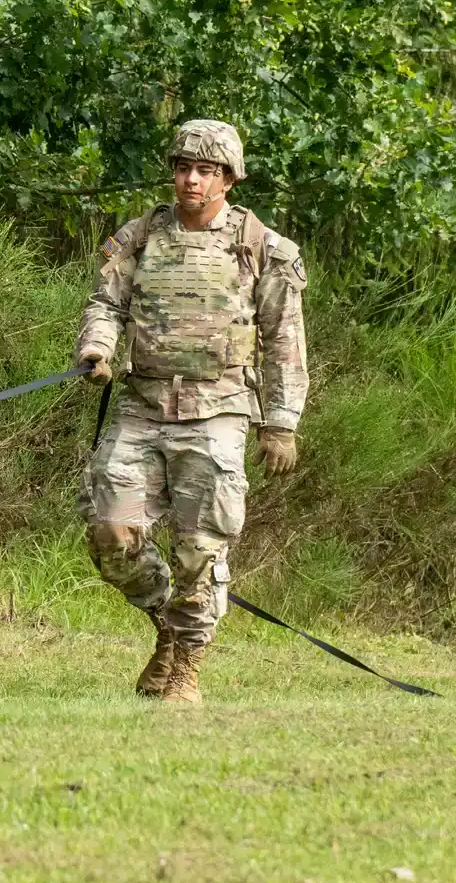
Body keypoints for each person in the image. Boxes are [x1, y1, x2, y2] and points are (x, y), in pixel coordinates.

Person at [76, 119, 309, 704]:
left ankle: (186, 666)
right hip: (142, 403)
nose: (191, 179)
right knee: (110, 531)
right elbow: (106, 303)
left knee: (201, 545)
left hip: (218, 409)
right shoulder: (139, 237)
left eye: (206, 170)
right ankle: (166, 623)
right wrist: (96, 348)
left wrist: (281, 423)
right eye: (183, 168)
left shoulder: (262, 247)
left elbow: (285, 339)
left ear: (229, 178)